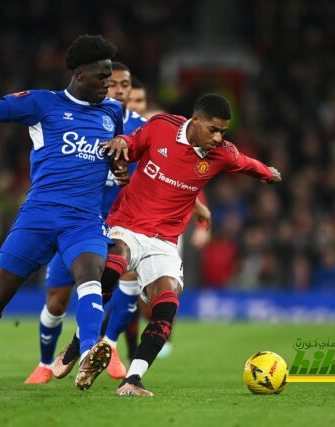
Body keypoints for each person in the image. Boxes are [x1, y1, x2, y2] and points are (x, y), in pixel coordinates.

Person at [60, 94, 281, 396]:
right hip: (127, 224)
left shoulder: (222, 154)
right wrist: (122, 148)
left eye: (223, 132)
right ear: (196, 120)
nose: (219, 138)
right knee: (112, 267)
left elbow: (246, 163)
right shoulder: (162, 126)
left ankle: (133, 379)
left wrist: (267, 173)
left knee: (166, 306)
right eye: (213, 129)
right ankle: (79, 343)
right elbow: (130, 145)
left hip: (164, 241)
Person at [0, 30, 126, 392]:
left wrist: (119, 166)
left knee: (91, 274)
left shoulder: (113, 113)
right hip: (39, 217)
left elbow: (113, 158)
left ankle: (89, 353)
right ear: (78, 74)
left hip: (84, 221)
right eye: (102, 75)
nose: (110, 82)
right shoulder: (42, 104)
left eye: (111, 75)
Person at [24, 61, 146, 384]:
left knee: (126, 278)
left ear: (130, 89)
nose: (119, 89)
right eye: (113, 83)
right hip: (78, 224)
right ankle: (45, 362)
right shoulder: (86, 118)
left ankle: (109, 343)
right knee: (57, 300)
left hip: (117, 225)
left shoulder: (141, 129)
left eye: (125, 84)